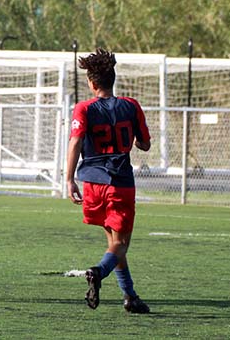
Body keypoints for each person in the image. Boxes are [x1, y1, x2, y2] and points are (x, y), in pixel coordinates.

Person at [65, 48, 151, 314]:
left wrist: (68, 179)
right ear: (113, 79)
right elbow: (145, 144)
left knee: (114, 244)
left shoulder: (84, 108)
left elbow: (76, 142)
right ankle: (98, 272)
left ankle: (130, 296)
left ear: (92, 83)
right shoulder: (131, 105)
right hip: (119, 182)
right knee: (121, 244)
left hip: (92, 182)